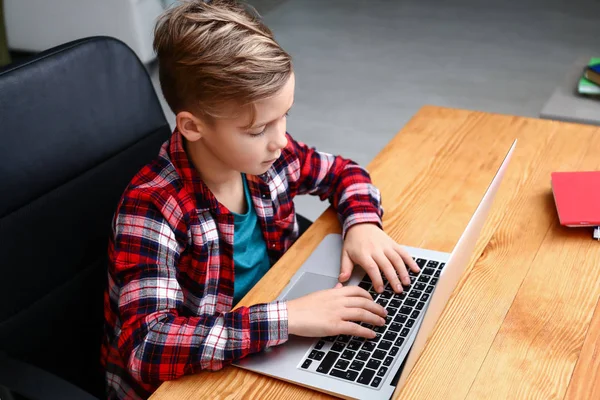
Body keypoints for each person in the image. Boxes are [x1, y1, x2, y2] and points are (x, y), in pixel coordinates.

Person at [101, 1, 419, 398]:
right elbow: (146, 346)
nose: (280, 140)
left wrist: (363, 224)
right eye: (257, 129)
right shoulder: (151, 209)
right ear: (192, 126)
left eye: (284, 114)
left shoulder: (271, 157)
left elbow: (344, 172)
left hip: (261, 336)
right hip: (189, 382)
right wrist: (288, 318)